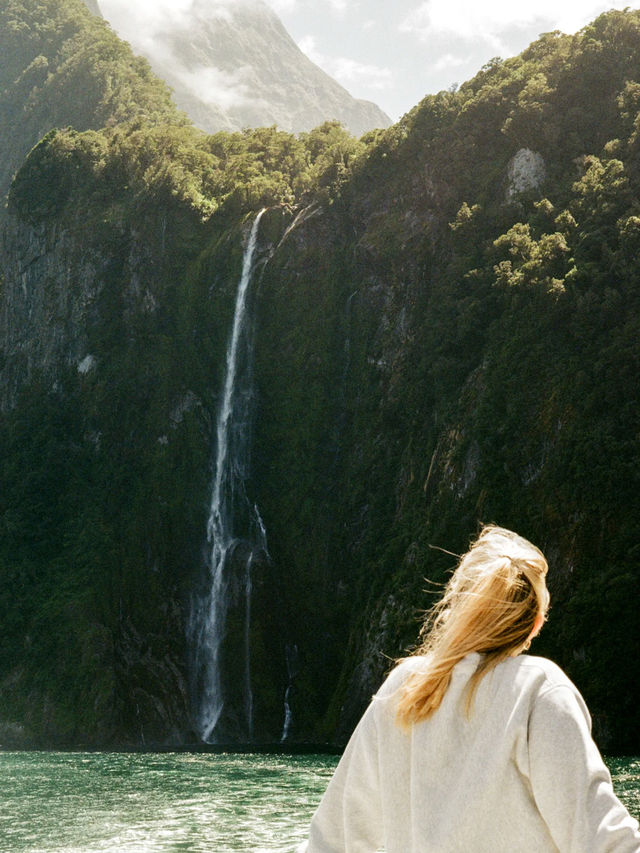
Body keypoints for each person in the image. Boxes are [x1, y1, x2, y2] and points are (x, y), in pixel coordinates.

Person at [297, 524, 640, 852]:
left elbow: (333, 839)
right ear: (536, 622)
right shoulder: (538, 690)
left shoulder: (407, 686)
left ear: (459, 607)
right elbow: (600, 837)